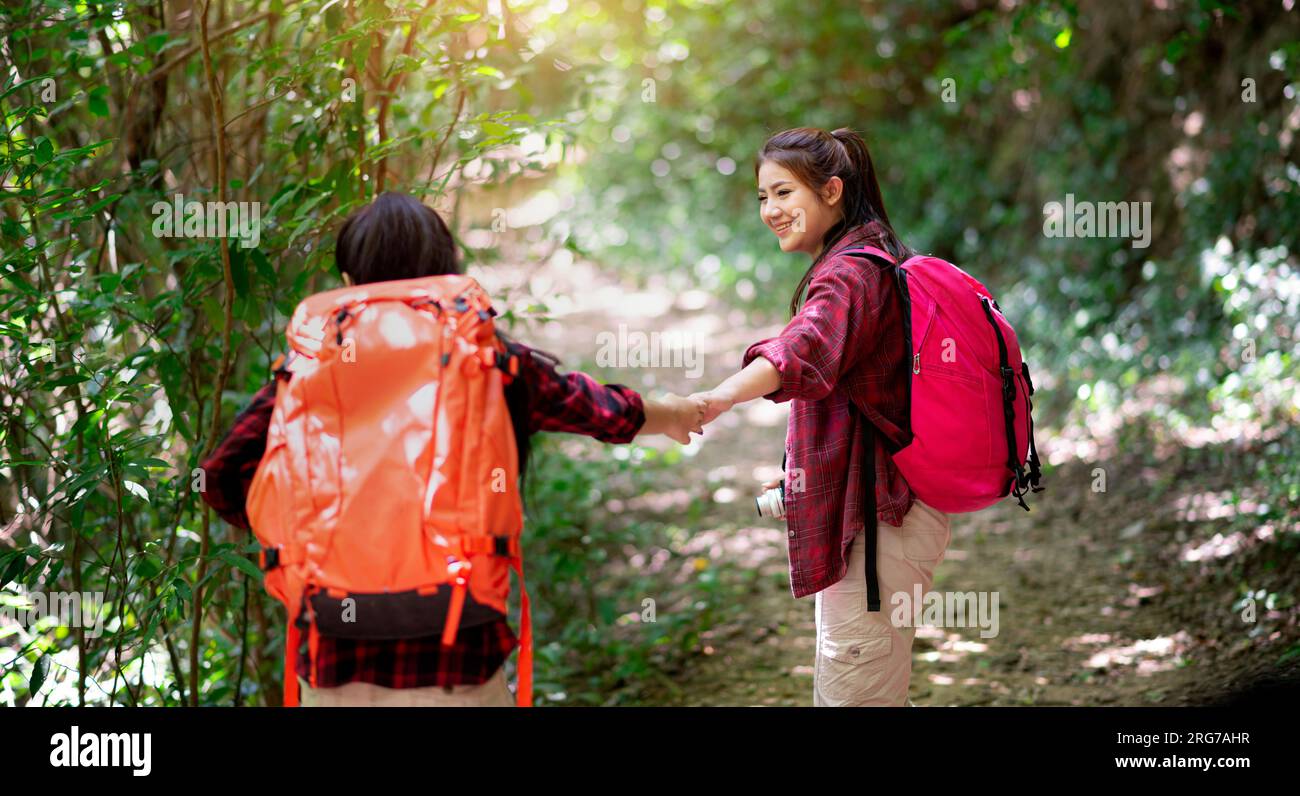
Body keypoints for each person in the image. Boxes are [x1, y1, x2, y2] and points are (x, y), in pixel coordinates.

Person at [200, 191, 704, 706]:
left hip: (332, 646)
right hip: (457, 644)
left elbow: (221, 475)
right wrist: (675, 415)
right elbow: (602, 411)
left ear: (350, 280)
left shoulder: (308, 366)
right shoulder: (483, 355)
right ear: (443, 266)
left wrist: (308, 536)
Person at [691, 127, 952, 707]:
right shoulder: (864, 255)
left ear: (831, 190)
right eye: (763, 197)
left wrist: (717, 397)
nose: (771, 211)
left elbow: (802, 350)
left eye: (784, 193)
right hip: (879, 521)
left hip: (879, 529)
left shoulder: (852, 272)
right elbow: (854, 394)